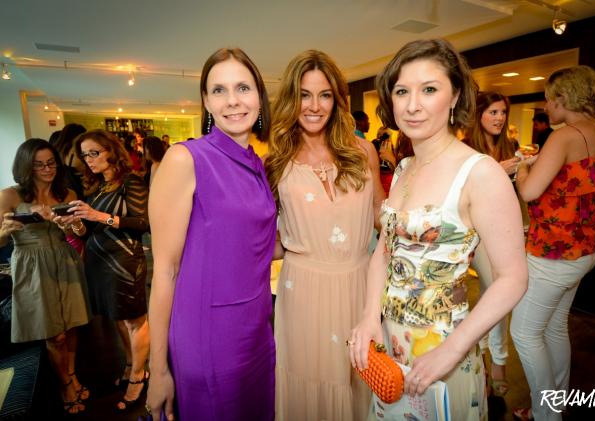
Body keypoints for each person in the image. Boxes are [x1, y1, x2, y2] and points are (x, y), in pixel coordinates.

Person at [349, 39, 528, 420]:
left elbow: (513, 278)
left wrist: (453, 349)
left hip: (445, 348)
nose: (413, 104)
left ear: (455, 96)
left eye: (429, 89)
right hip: (391, 343)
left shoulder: (479, 173)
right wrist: (368, 317)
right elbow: (383, 253)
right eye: (402, 91)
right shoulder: (403, 170)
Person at [146, 48, 276, 421]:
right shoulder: (185, 159)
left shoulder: (257, 163)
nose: (233, 100)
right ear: (205, 101)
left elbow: (256, 246)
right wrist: (158, 370)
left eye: (243, 88)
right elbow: (165, 271)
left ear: (259, 96)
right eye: (219, 90)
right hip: (210, 337)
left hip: (257, 329)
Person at [265, 49, 384, 420]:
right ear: (291, 99)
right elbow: (275, 241)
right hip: (303, 292)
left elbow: (382, 213)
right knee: (308, 379)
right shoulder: (276, 162)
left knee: (360, 376)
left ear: (337, 99)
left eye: (325, 94)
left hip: (360, 285)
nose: (314, 106)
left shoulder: (362, 151)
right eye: (304, 94)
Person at [511, 65, 595, 421]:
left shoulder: (564, 136)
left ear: (563, 97)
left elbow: (529, 191)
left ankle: (546, 414)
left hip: (553, 251)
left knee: (524, 333)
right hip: (586, 248)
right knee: (555, 326)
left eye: (547, 97)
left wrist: (524, 167)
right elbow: (579, 189)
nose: (545, 105)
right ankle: (554, 404)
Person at [0, 139, 90, 414]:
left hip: (65, 260)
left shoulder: (67, 193)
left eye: (51, 162)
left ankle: (71, 373)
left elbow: (79, 234)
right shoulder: (10, 196)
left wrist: (72, 224)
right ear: (26, 166)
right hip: (32, 265)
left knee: (72, 324)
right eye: (39, 164)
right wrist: (7, 230)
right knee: (55, 334)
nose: (47, 169)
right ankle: (64, 384)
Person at [70, 129, 150, 412]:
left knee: (133, 320)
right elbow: (86, 231)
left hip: (124, 261)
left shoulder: (131, 182)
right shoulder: (97, 188)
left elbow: (143, 222)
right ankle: (130, 364)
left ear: (111, 151)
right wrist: (73, 224)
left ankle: (139, 375)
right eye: (84, 155)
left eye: (95, 152)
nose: (89, 160)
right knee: (117, 319)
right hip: (98, 262)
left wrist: (99, 216)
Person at [463, 91, 520, 397]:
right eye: (493, 112)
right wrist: (501, 169)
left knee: (494, 296)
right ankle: (492, 363)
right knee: (495, 297)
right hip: (476, 235)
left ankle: (489, 361)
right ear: (478, 115)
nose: (499, 118)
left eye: (502, 113)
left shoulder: (509, 146)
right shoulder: (467, 150)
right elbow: (466, 192)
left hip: (503, 231)